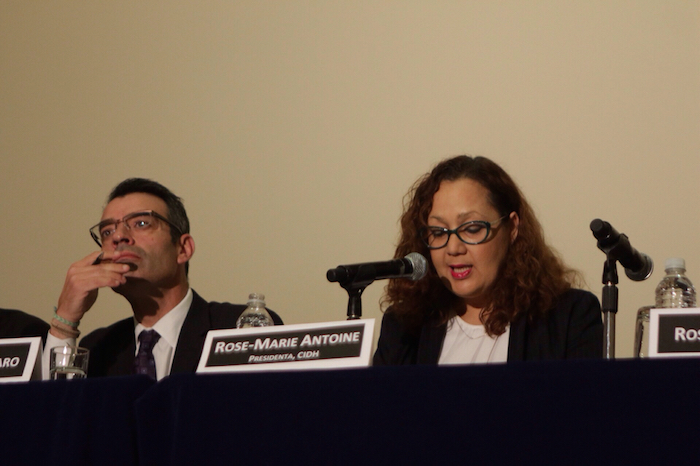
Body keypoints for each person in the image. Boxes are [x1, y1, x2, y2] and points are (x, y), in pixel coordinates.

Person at [373, 155, 603, 365]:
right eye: (439, 232)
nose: (453, 248)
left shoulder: (568, 318)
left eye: (472, 228)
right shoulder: (404, 328)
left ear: (512, 228)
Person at [45, 178, 282, 380]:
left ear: (183, 249)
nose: (118, 236)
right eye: (107, 231)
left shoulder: (239, 328)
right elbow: (55, 422)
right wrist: (65, 321)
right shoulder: (100, 348)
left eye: (140, 223)